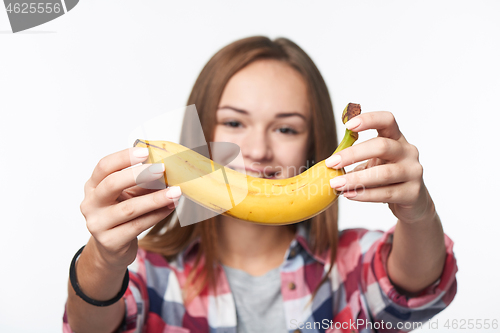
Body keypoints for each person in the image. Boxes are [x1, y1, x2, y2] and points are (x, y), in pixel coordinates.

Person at [63, 36, 457, 333]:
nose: (257, 150)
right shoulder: (147, 272)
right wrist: (105, 259)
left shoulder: (352, 264)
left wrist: (419, 214)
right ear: (200, 136)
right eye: (234, 122)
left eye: (286, 128)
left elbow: (418, 290)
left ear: (315, 144)